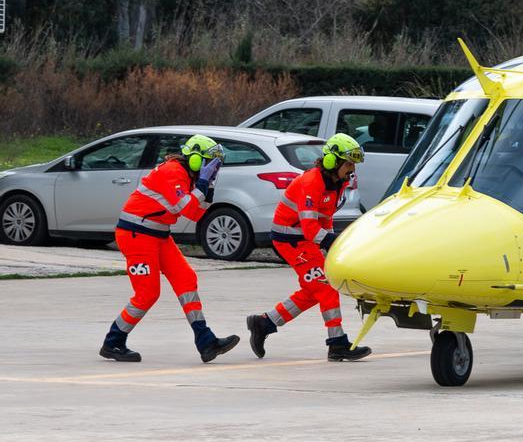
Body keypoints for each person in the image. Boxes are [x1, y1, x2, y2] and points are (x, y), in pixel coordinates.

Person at [99, 135, 241, 363]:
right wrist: (202, 186)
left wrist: (208, 189)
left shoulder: (188, 176)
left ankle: (205, 341)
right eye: (209, 162)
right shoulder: (173, 172)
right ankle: (113, 342)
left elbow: (195, 213)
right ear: (195, 159)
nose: (213, 168)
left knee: (186, 278)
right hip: (136, 235)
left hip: (158, 234)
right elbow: (184, 207)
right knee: (147, 293)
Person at [246, 133, 371, 361]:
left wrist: (330, 240)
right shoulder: (311, 182)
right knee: (326, 286)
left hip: (303, 239)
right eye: (349, 163)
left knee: (314, 290)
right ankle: (337, 344)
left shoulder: (337, 182)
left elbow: (325, 219)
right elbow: (310, 227)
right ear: (333, 162)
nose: (352, 169)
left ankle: (264, 323)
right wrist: (332, 242)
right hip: (290, 240)